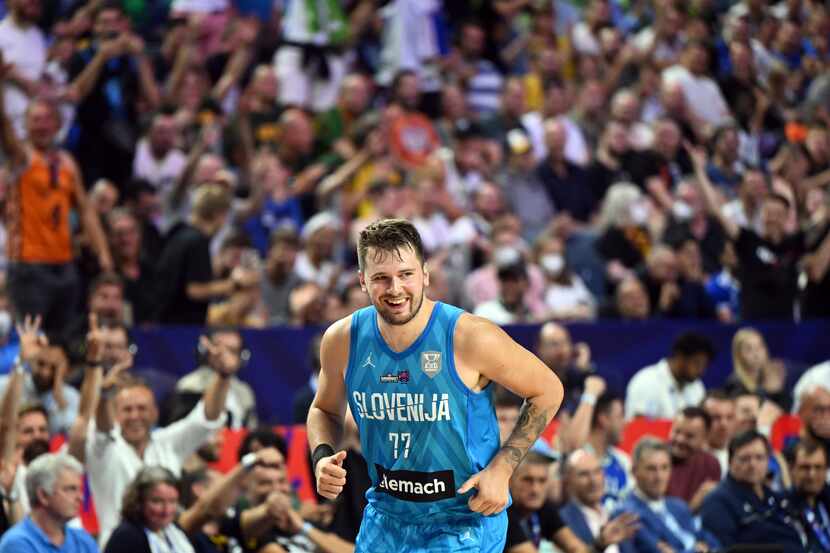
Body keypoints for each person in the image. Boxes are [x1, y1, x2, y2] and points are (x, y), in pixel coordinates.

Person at [307, 218, 564, 551]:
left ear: (425, 274)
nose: (395, 289)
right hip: (386, 516)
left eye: (406, 275)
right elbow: (324, 408)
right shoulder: (342, 339)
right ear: (362, 282)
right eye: (381, 278)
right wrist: (322, 456)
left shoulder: (470, 336)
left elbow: (548, 390)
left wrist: (502, 469)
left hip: (463, 518)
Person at [82, 327, 236, 547]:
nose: (135, 416)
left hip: (168, 541)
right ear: (116, 414)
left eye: (142, 408)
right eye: (127, 409)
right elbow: (102, 430)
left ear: (155, 413)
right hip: (122, 545)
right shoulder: (104, 449)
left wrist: (223, 376)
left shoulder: (167, 442)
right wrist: (104, 395)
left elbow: (205, 420)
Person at [0, 68, 112, 333]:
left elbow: (85, 211)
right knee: (31, 343)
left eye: (46, 119)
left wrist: (103, 253)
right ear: (25, 126)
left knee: (61, 344)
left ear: (57, 124)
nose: (41, 125)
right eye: (35, 120)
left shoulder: (67, 163)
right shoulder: (21, 158)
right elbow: (3, 125)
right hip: (28, 264)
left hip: (64, 265)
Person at [506, 451, 637, 552]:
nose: (535, 489)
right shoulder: (504, 514)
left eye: (542, 481)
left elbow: (576, 549)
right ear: (510, 481)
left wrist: (600, 544)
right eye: (527, 480)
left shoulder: (543, 508)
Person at [700, 431, 804, 552]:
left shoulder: (776, 498)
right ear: (730, 461)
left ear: (768, 461)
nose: (753, 465)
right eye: (745, 459)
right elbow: (724, 549)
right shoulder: (717, 502)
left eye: (759, 458)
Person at [619, 437, 720, 553]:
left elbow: (710, 540)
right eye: (651, 469)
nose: (659, 477)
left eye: (664, 468)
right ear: (634, 471)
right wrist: (698, 550)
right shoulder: (627, 514)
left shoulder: (678, 505)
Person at [0, 453, 97, 553]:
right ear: (43, 496)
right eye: (70, 489)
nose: (80, 498)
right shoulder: (17, 543)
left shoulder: (83, 540)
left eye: (79, 489)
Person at [173, 328, 257, 429]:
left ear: (242, 357)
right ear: (205, 351)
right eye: (219, 348)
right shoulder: (190, 385)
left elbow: (251, 430)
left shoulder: (244, 392)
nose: (225, 356)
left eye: (232, 351)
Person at [558, 449, 638, 553]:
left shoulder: (616, 515)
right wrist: (600, 545)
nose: (593, 480)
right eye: (584, 474)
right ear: (568, 482)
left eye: (597, 472)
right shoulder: (562, 521)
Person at [624, 332, 714, 420]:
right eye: (697, 363)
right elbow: (639, 426)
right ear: (680, 357)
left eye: (704, 365)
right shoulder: (646, 381)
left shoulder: (697, 386)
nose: (701, 371)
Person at [103, 466, 193, 553]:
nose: (167, 510)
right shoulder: (126, 537)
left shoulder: (176, 532)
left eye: (172, 501)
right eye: (157, 501)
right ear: (139, 501)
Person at [666, 407, 722, 511]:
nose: (680, 439)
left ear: (705, 438)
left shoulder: (711, 464)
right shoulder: (656, 460)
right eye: (677, 432)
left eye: (689, 436)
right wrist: (693, 506)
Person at [725, 327, 791, 410]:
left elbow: (787, 410)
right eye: (749, 349)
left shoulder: (770, 377)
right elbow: (754, 413)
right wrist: (772, 392)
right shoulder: (735, 384)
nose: (756, 354)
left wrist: (778, 391)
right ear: (739, 355)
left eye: (760, 347)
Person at [786, 441, 830, 552]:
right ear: (791, 469)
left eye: (818, 467)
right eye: (805, 468)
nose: (812, 475)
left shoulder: (826, 502)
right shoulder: (781, 509)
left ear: (826, 471)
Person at [702, 390, 738, 476]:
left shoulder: (743, 457)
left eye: (729, 417)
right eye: (716, 417)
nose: (724, 425)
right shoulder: (691, 458)